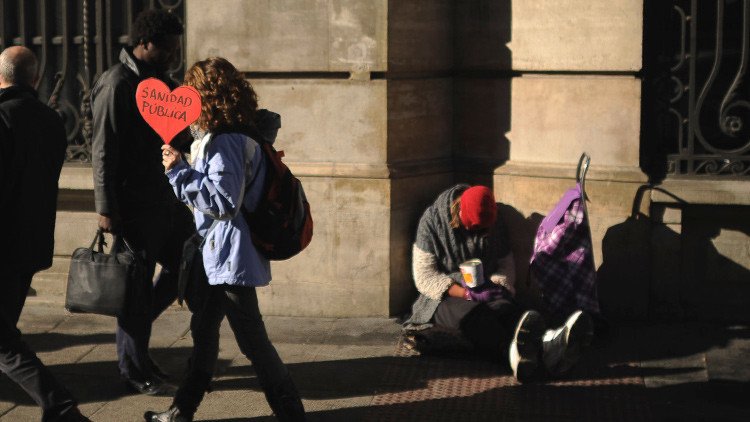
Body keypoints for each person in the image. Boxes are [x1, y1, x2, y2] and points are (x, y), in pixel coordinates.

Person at [144, 57, 305, 422]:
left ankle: (291, 412)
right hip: (216, 253)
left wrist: (179, 171)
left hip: (231, 256)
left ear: (206, 96)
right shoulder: (227, 135)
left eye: (191, 94)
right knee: (204, 331)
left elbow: (224, 202)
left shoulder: (227, 141)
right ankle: (180, 411)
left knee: (252, 341)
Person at [90, 9, 195, 395]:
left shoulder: (162, 82)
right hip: (133, 205)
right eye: (166, 48)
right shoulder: (117, 84)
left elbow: (173, 136)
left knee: (189, 264)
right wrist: (106, 207)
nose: (172, 54)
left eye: (175, 48)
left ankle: (136, 333)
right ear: (144, 42)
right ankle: (134, 367)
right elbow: (102, 150)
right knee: (134, 288)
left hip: (167, 199)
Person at [403, 184, 594, 381]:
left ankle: (549, 341)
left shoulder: (494, 218)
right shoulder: (432, 222)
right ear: (458, 213)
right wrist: (466, 293)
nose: (480, 234)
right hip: (444, 297)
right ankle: (512, 355)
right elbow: (424, 276)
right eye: (475, 229)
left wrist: (497, 286)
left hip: (484, 286)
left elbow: (505, 264)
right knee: (476, 317)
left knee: (507, 308)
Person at [0, 46, 89, 422]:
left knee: (3, 340)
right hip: (31, 244)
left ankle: (60, 406)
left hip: (2, 245)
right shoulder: (51, 120)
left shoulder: (2, 118)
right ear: (34, 79)